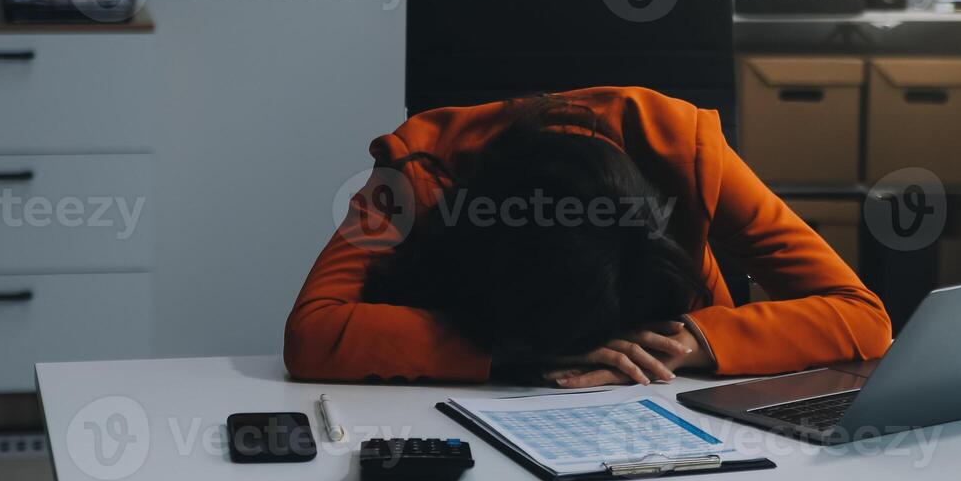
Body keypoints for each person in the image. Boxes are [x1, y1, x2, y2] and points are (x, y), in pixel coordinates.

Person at [284, 87, 891, 387]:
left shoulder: (688, 148)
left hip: (670, 408)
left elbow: (863, 316)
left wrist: (681, 343)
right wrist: (520, 354)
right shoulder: (416, 169)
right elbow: (313, 331)